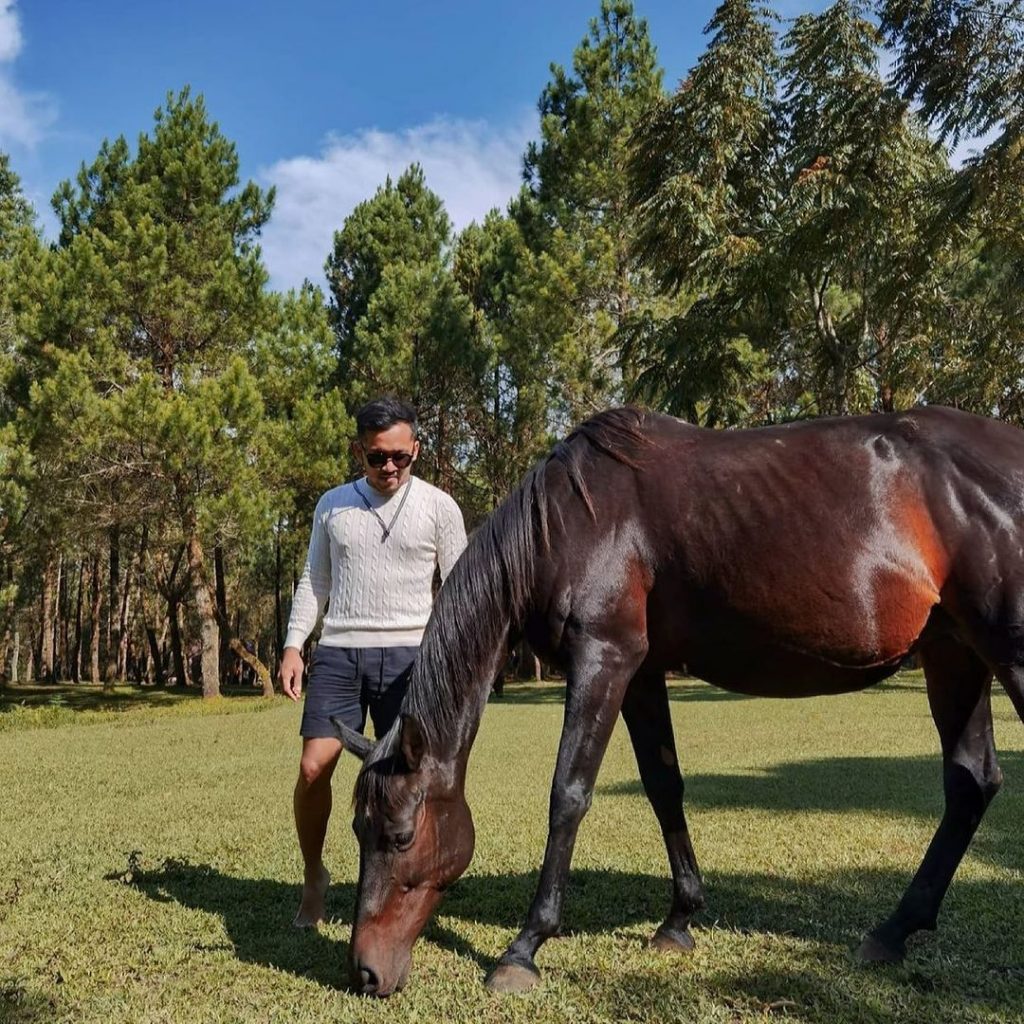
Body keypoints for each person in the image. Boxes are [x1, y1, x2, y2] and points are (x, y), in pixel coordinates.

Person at [279, 397, 467, 927]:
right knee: (314, 767)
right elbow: (315, 581)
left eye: (400, 458)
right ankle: (314, 874)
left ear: (416, 450)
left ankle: (402, 891)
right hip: (340, 652)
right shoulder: (332, 506)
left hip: (414, 661)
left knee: (409, 786)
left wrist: (455, 665)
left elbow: (459, 593)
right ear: (358, 451)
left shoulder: (439, 507)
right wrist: (295, 645)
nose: (389, 468)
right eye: (376, 457)